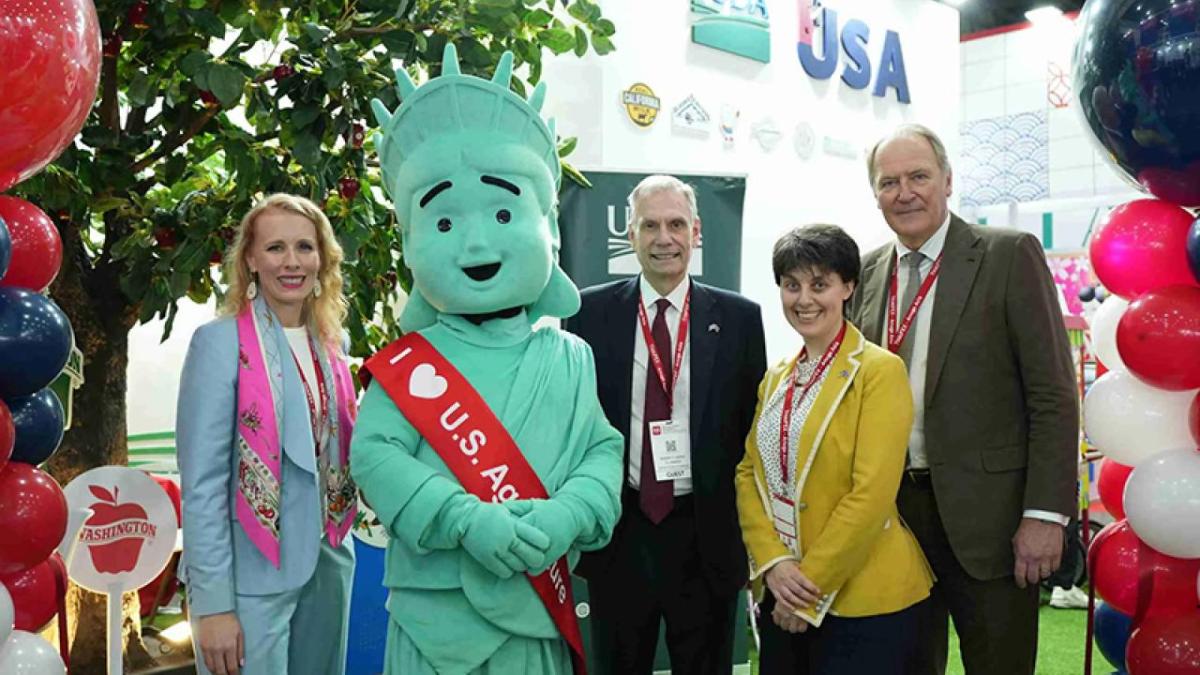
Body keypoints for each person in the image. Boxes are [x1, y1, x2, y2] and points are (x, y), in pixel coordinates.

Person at [349, 44, 624, 674]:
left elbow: (600, 451)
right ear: (411, 244)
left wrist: (568, 514)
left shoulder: (571, 357)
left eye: (503, 212)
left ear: (549, 229)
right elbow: (375, 455)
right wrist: (462, 518)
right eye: (443, 223)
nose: (476, 242)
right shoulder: (409, 364)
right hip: (432, 619)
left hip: (536, 608)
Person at [849, 124, 1080, 675]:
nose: (905, 193)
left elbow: (1052, 394)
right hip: (893, 521)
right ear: (875, 193)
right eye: (888, 182)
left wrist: (1045, 514)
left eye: (919, 177)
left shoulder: (1007, 255)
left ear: (948, 181)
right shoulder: (864, 272)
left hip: (993, 523)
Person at [565, 174, 767, 674]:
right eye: (650, 225)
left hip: (706, 534)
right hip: (622, 531)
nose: (664, 238)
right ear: (629, 234)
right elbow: (576, 422)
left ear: (696, 232)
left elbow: (750, 431)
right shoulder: (589, 313)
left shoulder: (740, 319)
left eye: (676, 224)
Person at [735, 224, 932, 673]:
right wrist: (773, 563)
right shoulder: (778, 375)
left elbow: (871, 494)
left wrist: (807, 588)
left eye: (819, 285)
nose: (804, 299)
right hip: (782, 587)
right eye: (792, 285)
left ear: (848, 287)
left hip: (863, 599)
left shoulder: (879, 371)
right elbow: (748, 473)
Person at [177, 193, 359, 675]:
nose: (292, 262)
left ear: (322, 258)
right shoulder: (218, 343)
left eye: (305, 247)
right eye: (276, 248)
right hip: (249, 583)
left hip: (330, 566)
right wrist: (213, 606)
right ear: (251, 260)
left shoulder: (334, 344)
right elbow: (202, 485)